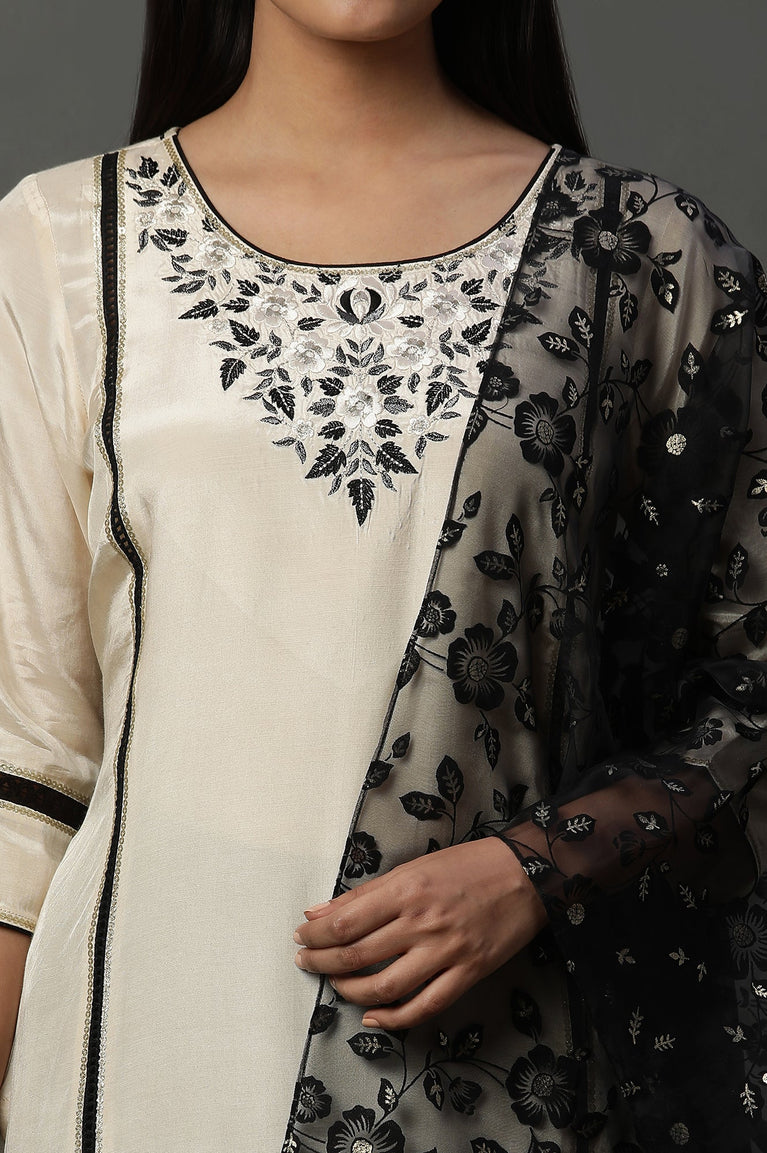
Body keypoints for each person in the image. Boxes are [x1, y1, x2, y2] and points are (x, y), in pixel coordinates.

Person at [0, 1, 765, 1150]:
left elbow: (745, 690)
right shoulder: (66, 240)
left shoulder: (636, 256)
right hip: (137, 1062)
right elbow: (24, 774)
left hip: (501, 1076)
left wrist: (537, 866)